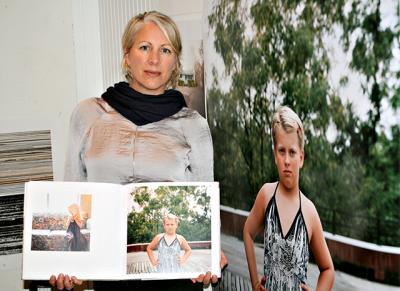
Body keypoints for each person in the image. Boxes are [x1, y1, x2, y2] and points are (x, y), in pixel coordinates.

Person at [49, 10, 226, 291]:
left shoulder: (194, 126)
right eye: (145, 47)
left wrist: (210, 255)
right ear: (127, 55)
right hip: (109, 276)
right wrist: (64, 261)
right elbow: (71, 192)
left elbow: (207, 209)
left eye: (165, 50)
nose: (154, 59)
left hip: (174, 280)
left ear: (175, 61)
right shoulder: (88, 114)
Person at [243, 106, 335, 291]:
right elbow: (247, 232)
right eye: (281, 151)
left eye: (292, 152)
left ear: (301, 157)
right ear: (274, 155)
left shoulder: (309, 211)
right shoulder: (266, 194)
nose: (286, 160)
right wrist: (254, 282)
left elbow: (328, 269)